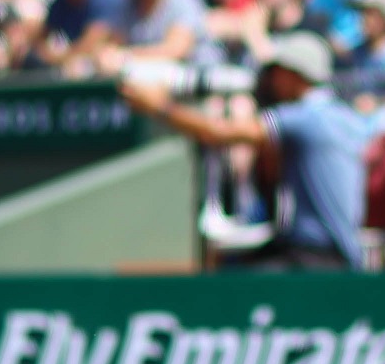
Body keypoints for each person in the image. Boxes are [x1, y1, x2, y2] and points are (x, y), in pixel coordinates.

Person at [121, 33, 364, 269]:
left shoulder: (307, 118)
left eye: (276, 73)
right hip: (327, 254)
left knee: (234, 292)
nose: (271, 81)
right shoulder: (344, 116)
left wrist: (158, 106)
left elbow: (219, 133)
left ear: (294, 75)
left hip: (318, 259)